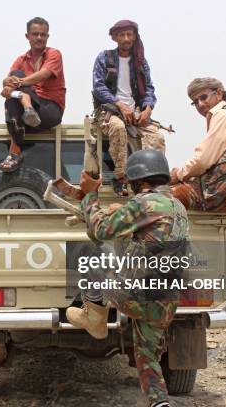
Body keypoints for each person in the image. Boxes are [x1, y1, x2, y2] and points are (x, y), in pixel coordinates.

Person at [66, 150, 189, 407]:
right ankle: (159, 402)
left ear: (139, 182)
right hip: (165, 299)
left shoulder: (145, 203)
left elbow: (101, 230)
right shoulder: (177, 206)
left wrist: (90, 196)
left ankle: (95, 318)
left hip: (136, 297)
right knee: (147, 356)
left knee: (92, 256)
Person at [92, 19, 165, 196]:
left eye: (129, 34)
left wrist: (147, 108)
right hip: (109, 111)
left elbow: (149, 88)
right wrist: (120, 105)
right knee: (118, 128)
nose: (126, 38)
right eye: (122, 35)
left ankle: (149, 181)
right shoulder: (105, 58)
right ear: (115, 37)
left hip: (136, 112)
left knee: (157, 137)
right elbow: (99, 87)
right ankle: (120, 177)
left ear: (134, 36)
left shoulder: (140, 62)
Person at [170, 77, 226, 219]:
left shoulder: (223, 114)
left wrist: (177, 174)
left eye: (203, 97)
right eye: (195, 102)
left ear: (218, 93)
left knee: (160, 200)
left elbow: (203, 160)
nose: (200, 104)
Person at [0, 16, 66, 172]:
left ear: (48, 36)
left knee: (19, 83)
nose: (39, 38)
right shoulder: (21, 59)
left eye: (43, 34)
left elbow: (44, 74)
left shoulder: (54, 54)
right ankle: (15, 152)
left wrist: (17, 85)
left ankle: (26, 103)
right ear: (27, 36)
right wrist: (7, 86)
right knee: (10, 99)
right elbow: (7, 80)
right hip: (29, 116)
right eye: (35, 34)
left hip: (50, 109)